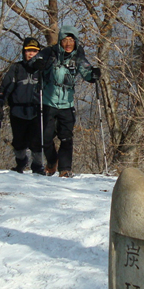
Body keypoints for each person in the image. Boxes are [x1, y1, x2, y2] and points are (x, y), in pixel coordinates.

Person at [31, 25, 101, 177]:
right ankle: (51, 161)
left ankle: (65, 169)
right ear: (60, 41)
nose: (68, 43)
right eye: (65, 40)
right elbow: (33, 62)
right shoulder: (50, 53)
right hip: (48, 102)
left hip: (67, 104)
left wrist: (93, 75)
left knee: (66, 138)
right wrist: (37, 64)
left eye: (71, 40)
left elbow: (86, 71)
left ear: (75, 41)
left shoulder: (78, 56)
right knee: (46, 137)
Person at [0, 37, 45, 175]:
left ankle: (38, 165)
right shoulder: (16, 68)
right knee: (18, 141)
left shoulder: (43, 70)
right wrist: (0, 103)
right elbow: (5, 87)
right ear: (24, 52)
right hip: (17, 110)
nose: (31, 54)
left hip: (37, 110)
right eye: (28, 51)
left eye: (34, 51)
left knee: (37, 141)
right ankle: (21, 162)